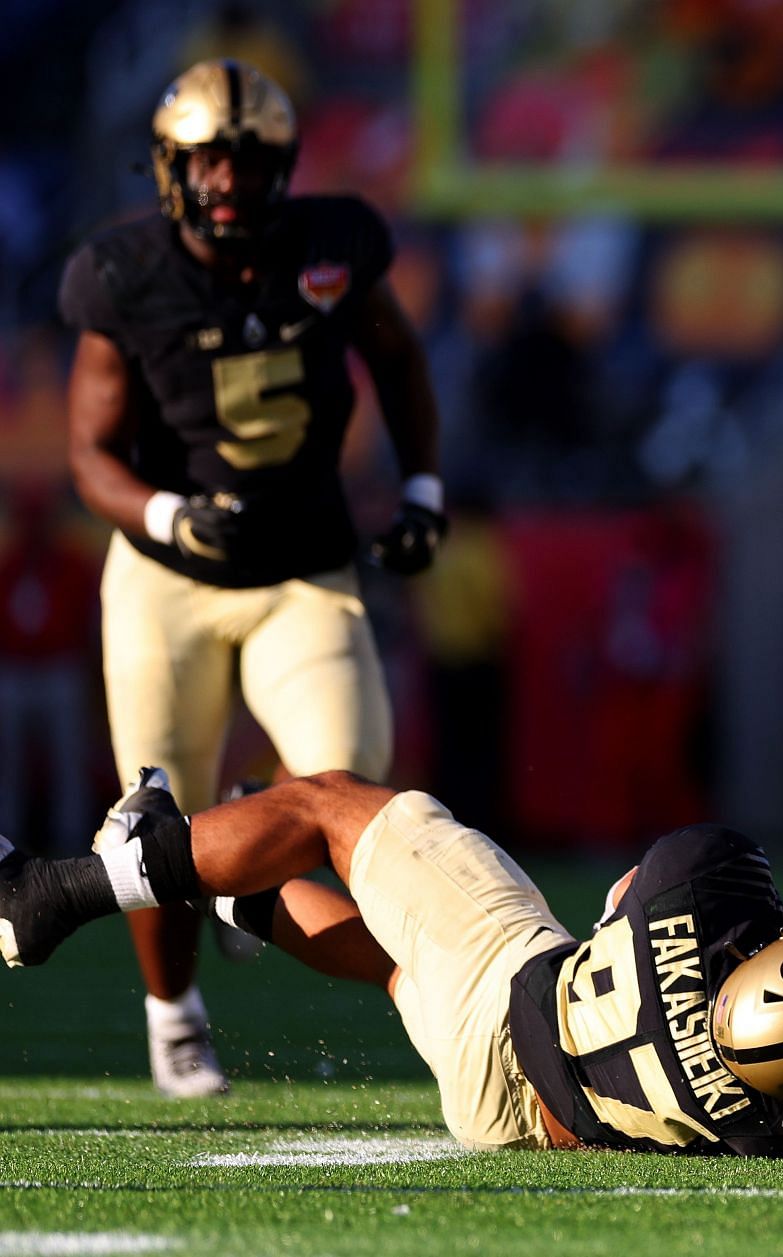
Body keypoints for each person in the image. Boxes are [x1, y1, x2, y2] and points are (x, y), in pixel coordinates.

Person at [0, 770, 783, 1160]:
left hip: (519, 989)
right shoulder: (782, 1119)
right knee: (398, 967)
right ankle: (256, 913)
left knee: (343, 805)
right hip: (510, 1119)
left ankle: (73, 887)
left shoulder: (696, 888)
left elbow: (622, 898)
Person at [58, 59, 447, 1097]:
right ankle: (172, 1011)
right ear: (169, 168)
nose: (227, 179)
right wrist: (166, 512)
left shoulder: (331, 246)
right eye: (207, 158)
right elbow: (92, 453)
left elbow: (398, 363)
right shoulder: (123, 274)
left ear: (283, 164)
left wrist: (421, 488)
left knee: (350, 792)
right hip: (163, 577)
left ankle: (247, 874)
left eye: (246, 157)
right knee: (151, 810)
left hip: (302, 568)